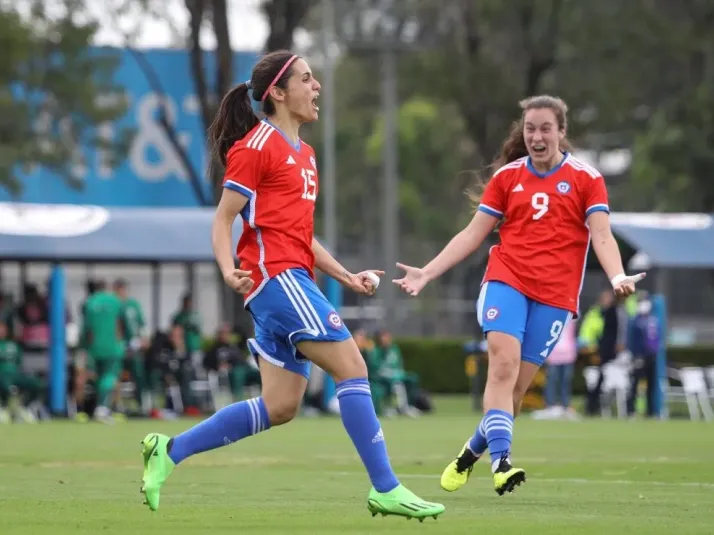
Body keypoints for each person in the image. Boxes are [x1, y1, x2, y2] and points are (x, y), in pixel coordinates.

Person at [139, 50, 444, 520]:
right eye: (306, 78)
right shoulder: (256, 146)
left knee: (280, 406)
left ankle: (169, 450)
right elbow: (224, 220)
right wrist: (225, 268)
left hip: (290, 277)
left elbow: (300, 234)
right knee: (354, 369)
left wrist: (346, 275)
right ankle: (386, 487)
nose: (317, 85)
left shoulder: (305, 154)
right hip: (276, 279)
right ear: (277, 93)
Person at [393, 95, 644, 496]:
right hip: (506, 281)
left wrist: (616, 277)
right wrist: (427, 271)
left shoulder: (586, 178)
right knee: (502, 367)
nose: (537, 136)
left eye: (546, 128)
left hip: (556, 297)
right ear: (522, 132)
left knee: (512, 393)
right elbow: (473, 234)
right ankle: (502, 463)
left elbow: (601, 234)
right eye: (530, 128)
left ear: (561, 132)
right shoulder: (508, 178)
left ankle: (468, 455)